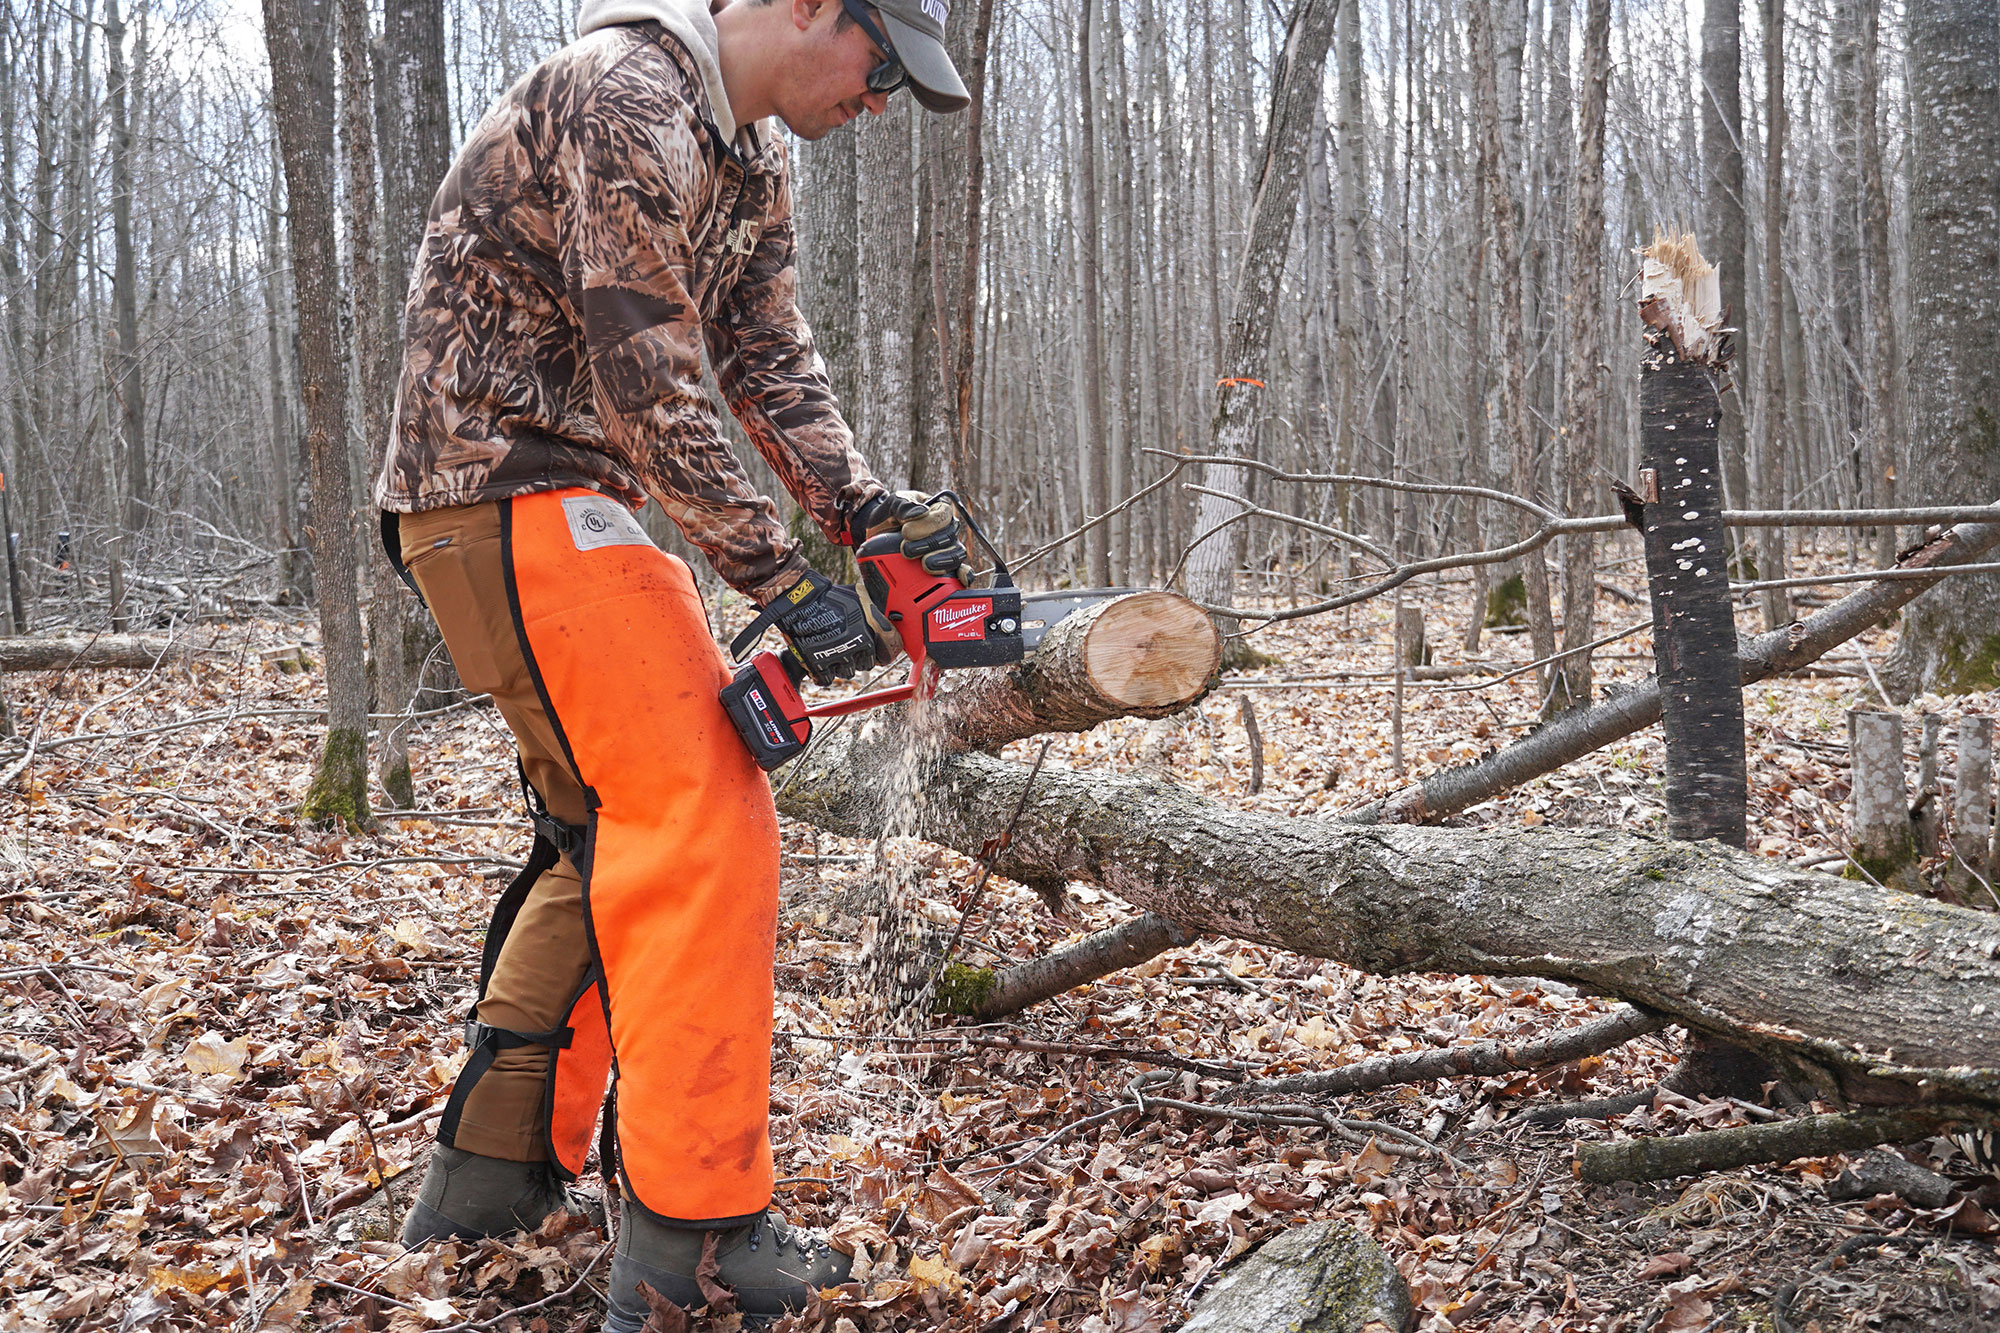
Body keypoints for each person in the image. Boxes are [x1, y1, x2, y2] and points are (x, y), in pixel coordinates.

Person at [373, 0, 971, 1324]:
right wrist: (785, 579)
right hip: (500, 482)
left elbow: (769, 361)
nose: (875, 102)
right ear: (813, 9)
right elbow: (648, 374)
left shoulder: (749, 156)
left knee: (611, 829)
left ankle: (490, 1179)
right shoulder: (627, 95)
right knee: (702, 810)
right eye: (878, 68)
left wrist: (867, 518)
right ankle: (694, 1240)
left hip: (565, 495)